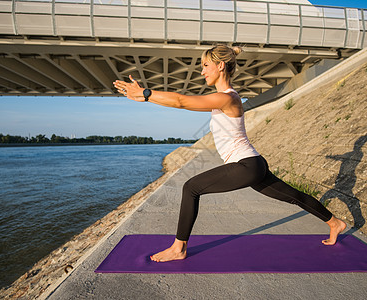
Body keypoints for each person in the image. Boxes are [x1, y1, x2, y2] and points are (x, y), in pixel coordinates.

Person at [113, 45, 347, 263]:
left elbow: (181, 101)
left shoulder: (228, 98)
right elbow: (182, 101)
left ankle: (179, 248)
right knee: (293, 195)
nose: (201, 70)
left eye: (205, 65)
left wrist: (145, 93)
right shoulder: (222, 99)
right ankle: (334, 222)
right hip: (253, 164)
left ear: (220, 66)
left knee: (191, 188)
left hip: (245, 165)